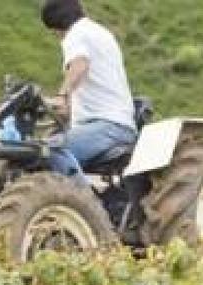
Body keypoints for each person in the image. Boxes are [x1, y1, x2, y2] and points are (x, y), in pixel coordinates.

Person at [40, 0, 138, 182]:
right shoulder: (98, 32)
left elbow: (80, 65)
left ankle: (81, 198)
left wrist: (61, 96)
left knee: (51, 150)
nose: (57, 37)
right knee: (54, 141)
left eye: (54, 32)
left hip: (108, 126)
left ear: (57, 26)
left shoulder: (76, 34)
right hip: (113, 124)